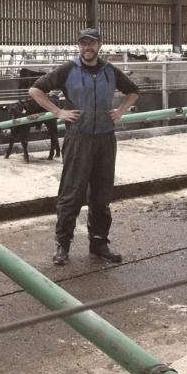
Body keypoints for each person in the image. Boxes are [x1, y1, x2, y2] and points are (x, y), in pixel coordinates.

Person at [27, 27, 139, 266]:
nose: (87, 48)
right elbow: (35, 89)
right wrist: (58, 111)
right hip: (78, 138)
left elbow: (133, 91)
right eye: (83, 44)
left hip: (106, 139)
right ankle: (62, 245)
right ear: (79, 46)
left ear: (99, 45)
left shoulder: (110, 70)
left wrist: (120, 110)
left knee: (102, 193)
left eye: (92, 43)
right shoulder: (69, 69)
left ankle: (99, 243)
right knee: (72, 193)